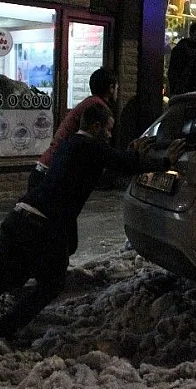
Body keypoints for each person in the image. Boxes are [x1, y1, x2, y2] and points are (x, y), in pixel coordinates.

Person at [0, 103, 185, 340]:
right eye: (108, 130)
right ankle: (4, 330)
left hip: (19, 218)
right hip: (43, 228)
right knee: (51, 283)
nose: (110, 136)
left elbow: (106, 172)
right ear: (95, 126)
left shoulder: (71, 145)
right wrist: (165, 161)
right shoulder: (88, 145)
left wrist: (131, 154)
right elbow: (122, 164)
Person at [27, 67, 118, 255]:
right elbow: (100, 149)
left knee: (59, 239)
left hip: (45, 171)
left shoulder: (89, 103)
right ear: (110, 88)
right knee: (60, 241)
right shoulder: (97, 109)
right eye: (116, 86)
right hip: (50, 175)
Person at [167, 21, 196, 96]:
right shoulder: (180, 50)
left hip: (195, 90)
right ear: (191, 33)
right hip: (183, 90)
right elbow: (173, 73)